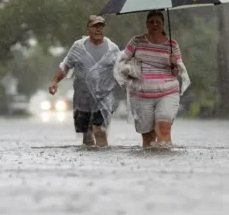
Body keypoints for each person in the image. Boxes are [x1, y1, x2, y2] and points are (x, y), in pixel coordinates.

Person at [115, 10, 190, 148]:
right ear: (146, 25)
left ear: (163, 25)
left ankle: (167, 163)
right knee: (148, 137)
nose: (155, 24)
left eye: (158, 22)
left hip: (167, 91)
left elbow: (176, 73)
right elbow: (121, 62)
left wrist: (174, 63)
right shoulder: (136, 41)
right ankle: (150, 166)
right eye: (151, 22)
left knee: (163, 129)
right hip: (141, 94)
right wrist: (128, 70)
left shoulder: (172, 45)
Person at [49, 15, 120, 147]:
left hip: (104, 98)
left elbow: (121, 71)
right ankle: (89, 163)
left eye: (101, 26)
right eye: (95, 26)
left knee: (99, 130)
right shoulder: (78, 47)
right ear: (88, 29)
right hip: (83, 98)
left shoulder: (113, 49)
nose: (98, 29)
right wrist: (55, 81)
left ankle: (103, 160)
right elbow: (66, 66)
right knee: (87, 134)